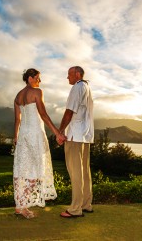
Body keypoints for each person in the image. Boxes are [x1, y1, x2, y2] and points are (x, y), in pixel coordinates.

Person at [13, 68, 66, 219]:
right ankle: (23, 207)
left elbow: (17, 120)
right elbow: (43, 114)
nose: (39, 81)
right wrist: (57, 133)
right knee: (36, 169)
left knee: (23, 169)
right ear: (30, 78)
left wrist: (15, 137)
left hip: (23, 135)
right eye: (37, 78)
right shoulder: (37, 92)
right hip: (35, 134)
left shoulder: (18, 96)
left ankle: (20, 205)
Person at [59, 66, 94, 218]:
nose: (68, 77)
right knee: (85, 172)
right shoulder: (86, 87)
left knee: (76, 172)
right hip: (85, 136)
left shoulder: (77, 87)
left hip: (75, 136)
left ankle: (75, 209)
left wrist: (60, 131)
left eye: (69, 74)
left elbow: (69, 112)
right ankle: (86, 204)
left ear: (77, 74)